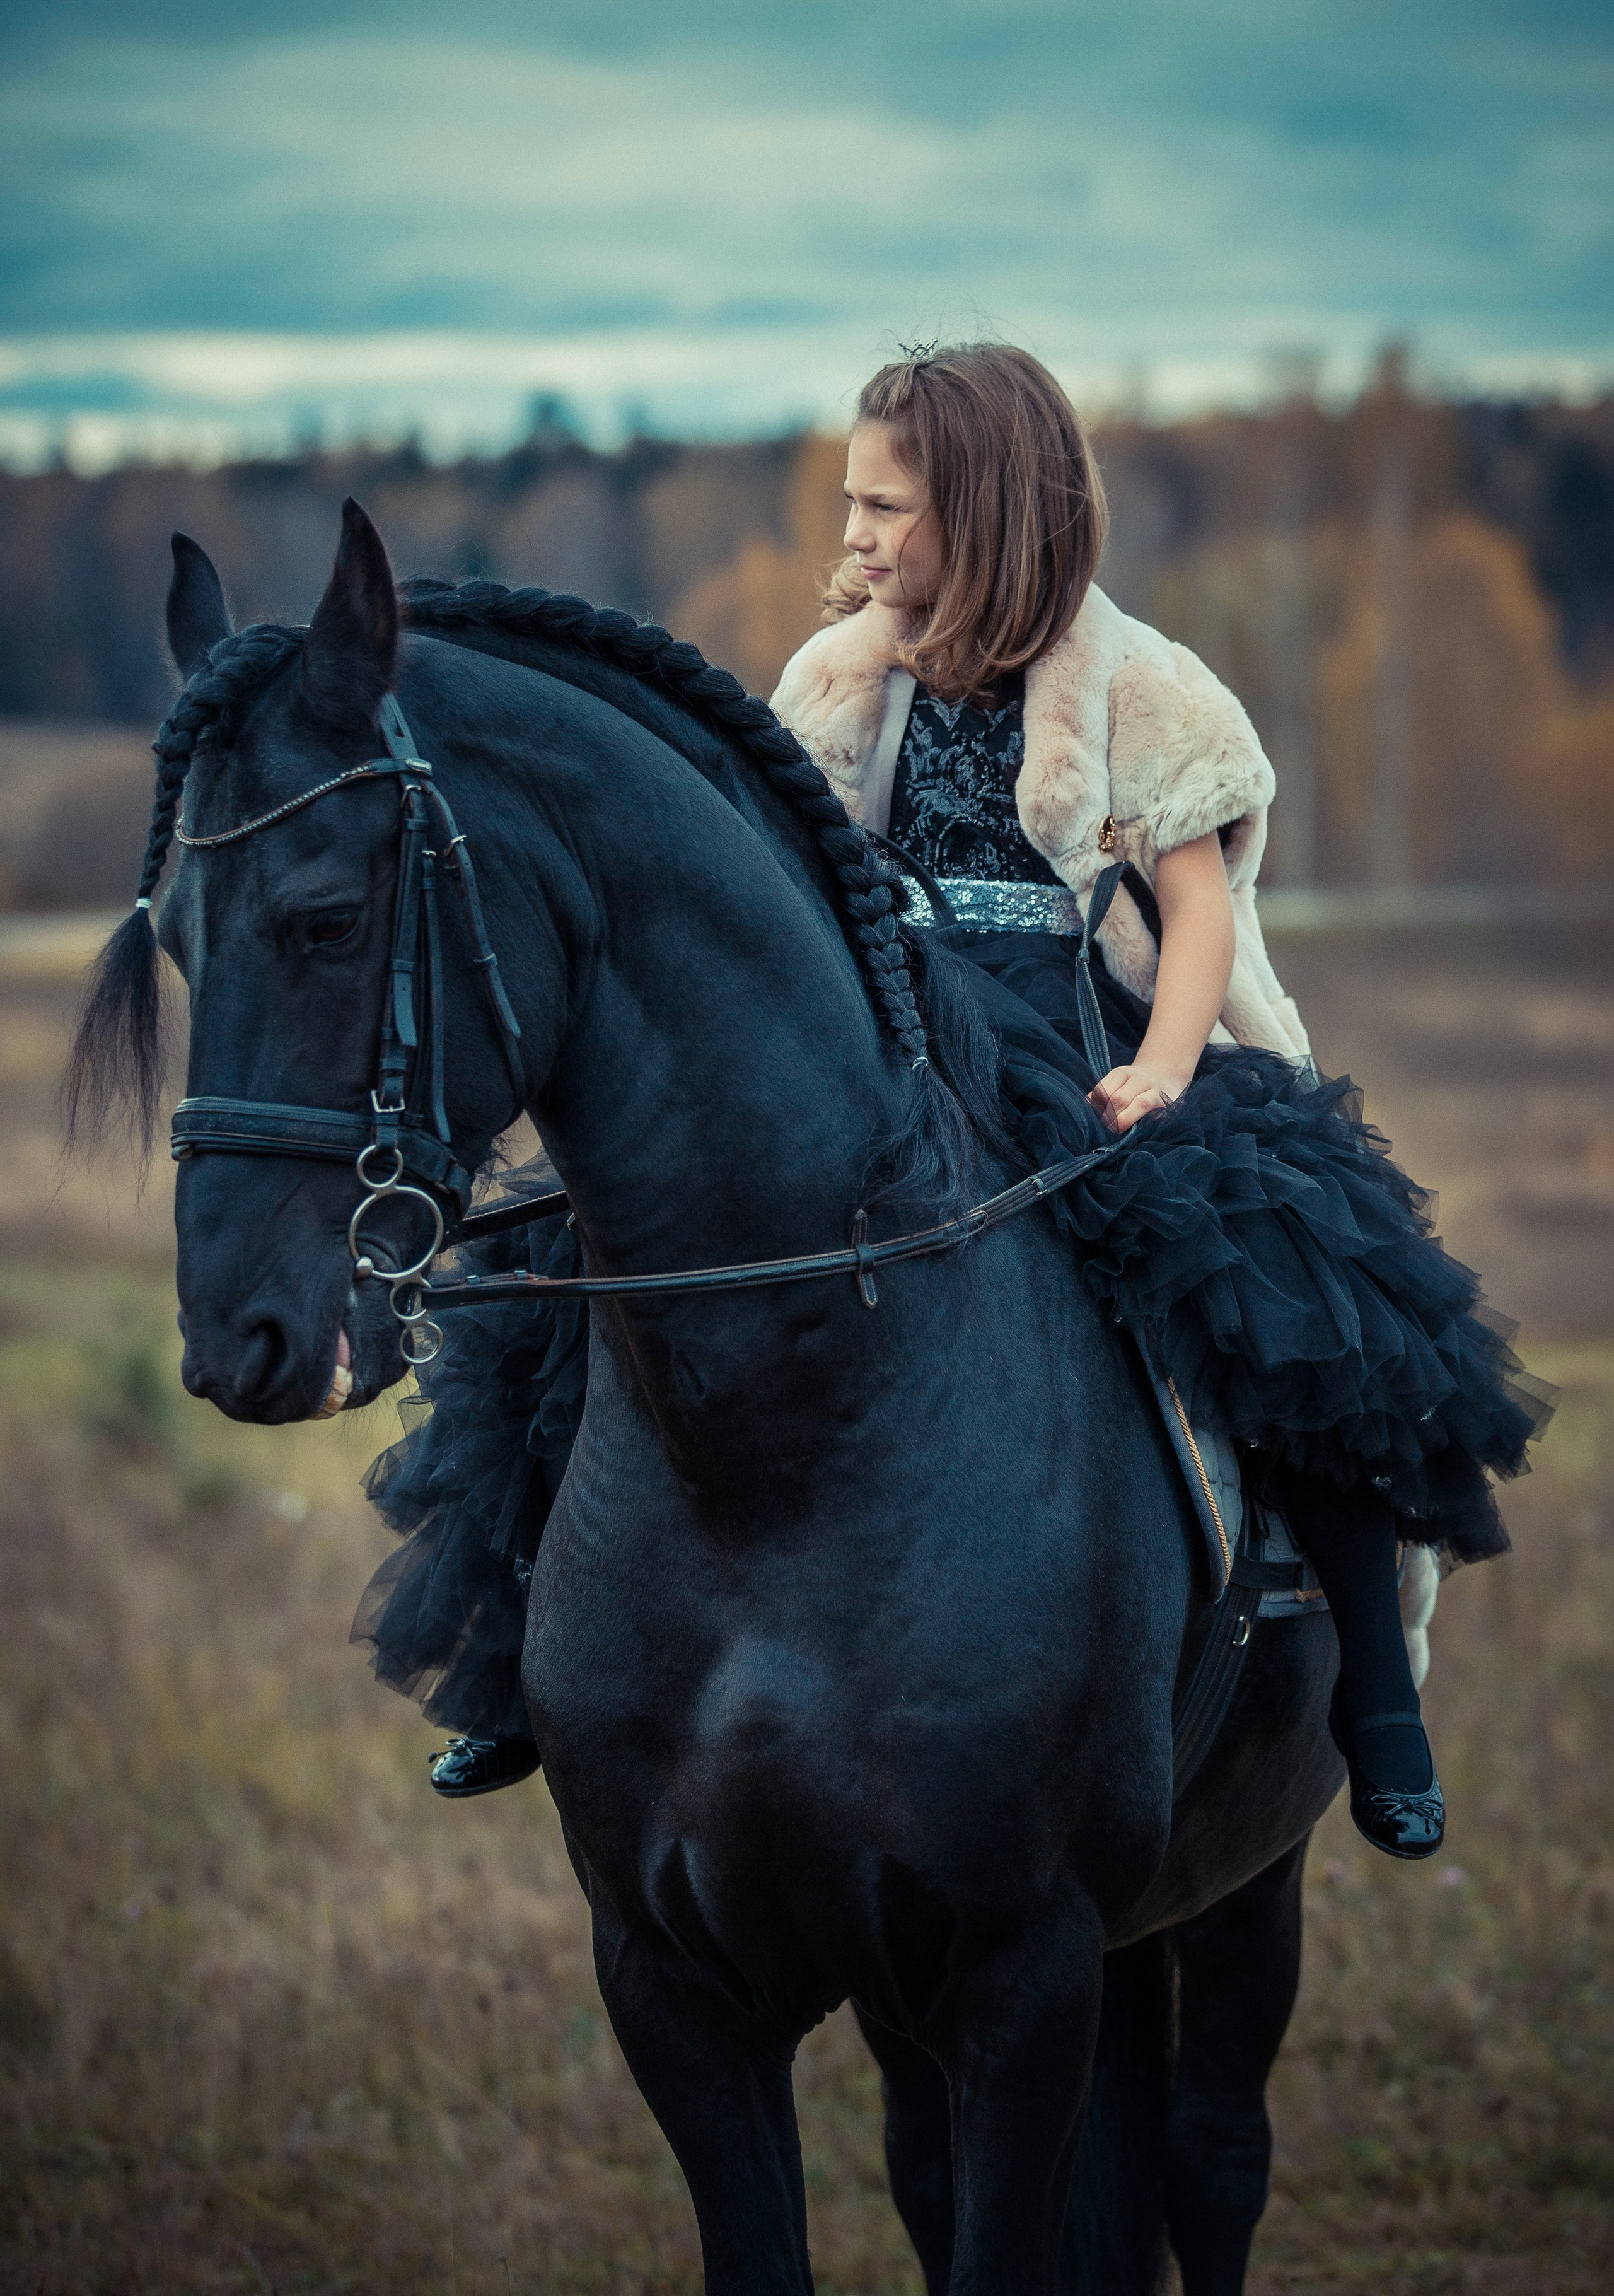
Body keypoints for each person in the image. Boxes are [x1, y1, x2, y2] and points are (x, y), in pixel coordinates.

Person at [360, 342, 1548, 1858]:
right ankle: (523, 1670)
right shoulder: (837, 681)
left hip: (1067, 1036)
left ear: (982, 513)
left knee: (1288, 1293)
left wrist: (1168, 1070)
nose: (847, 535)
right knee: (576, 1267)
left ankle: (1369, 1701)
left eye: (882, 507)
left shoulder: (1138, 686)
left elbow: (1192, 913)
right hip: (875, 1035)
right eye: (848, 503)